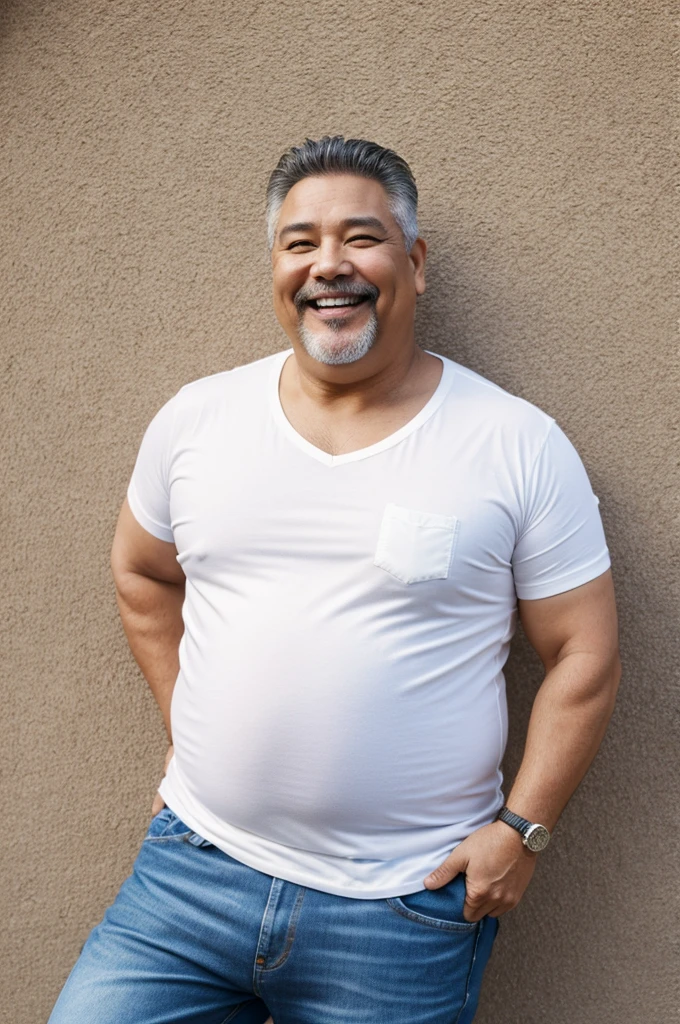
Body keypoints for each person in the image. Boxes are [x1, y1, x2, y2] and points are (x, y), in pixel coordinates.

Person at [48, 136, 620, 1024]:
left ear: (415, 263)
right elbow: (142, 573)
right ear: (276, 267)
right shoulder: (197, 421)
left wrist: (523, 832)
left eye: (361, 237)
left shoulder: (514, 442)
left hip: (400, 910)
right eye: (300, 242)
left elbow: (583, 652)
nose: (329, 266)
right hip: (191, 874)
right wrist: (183, 720)